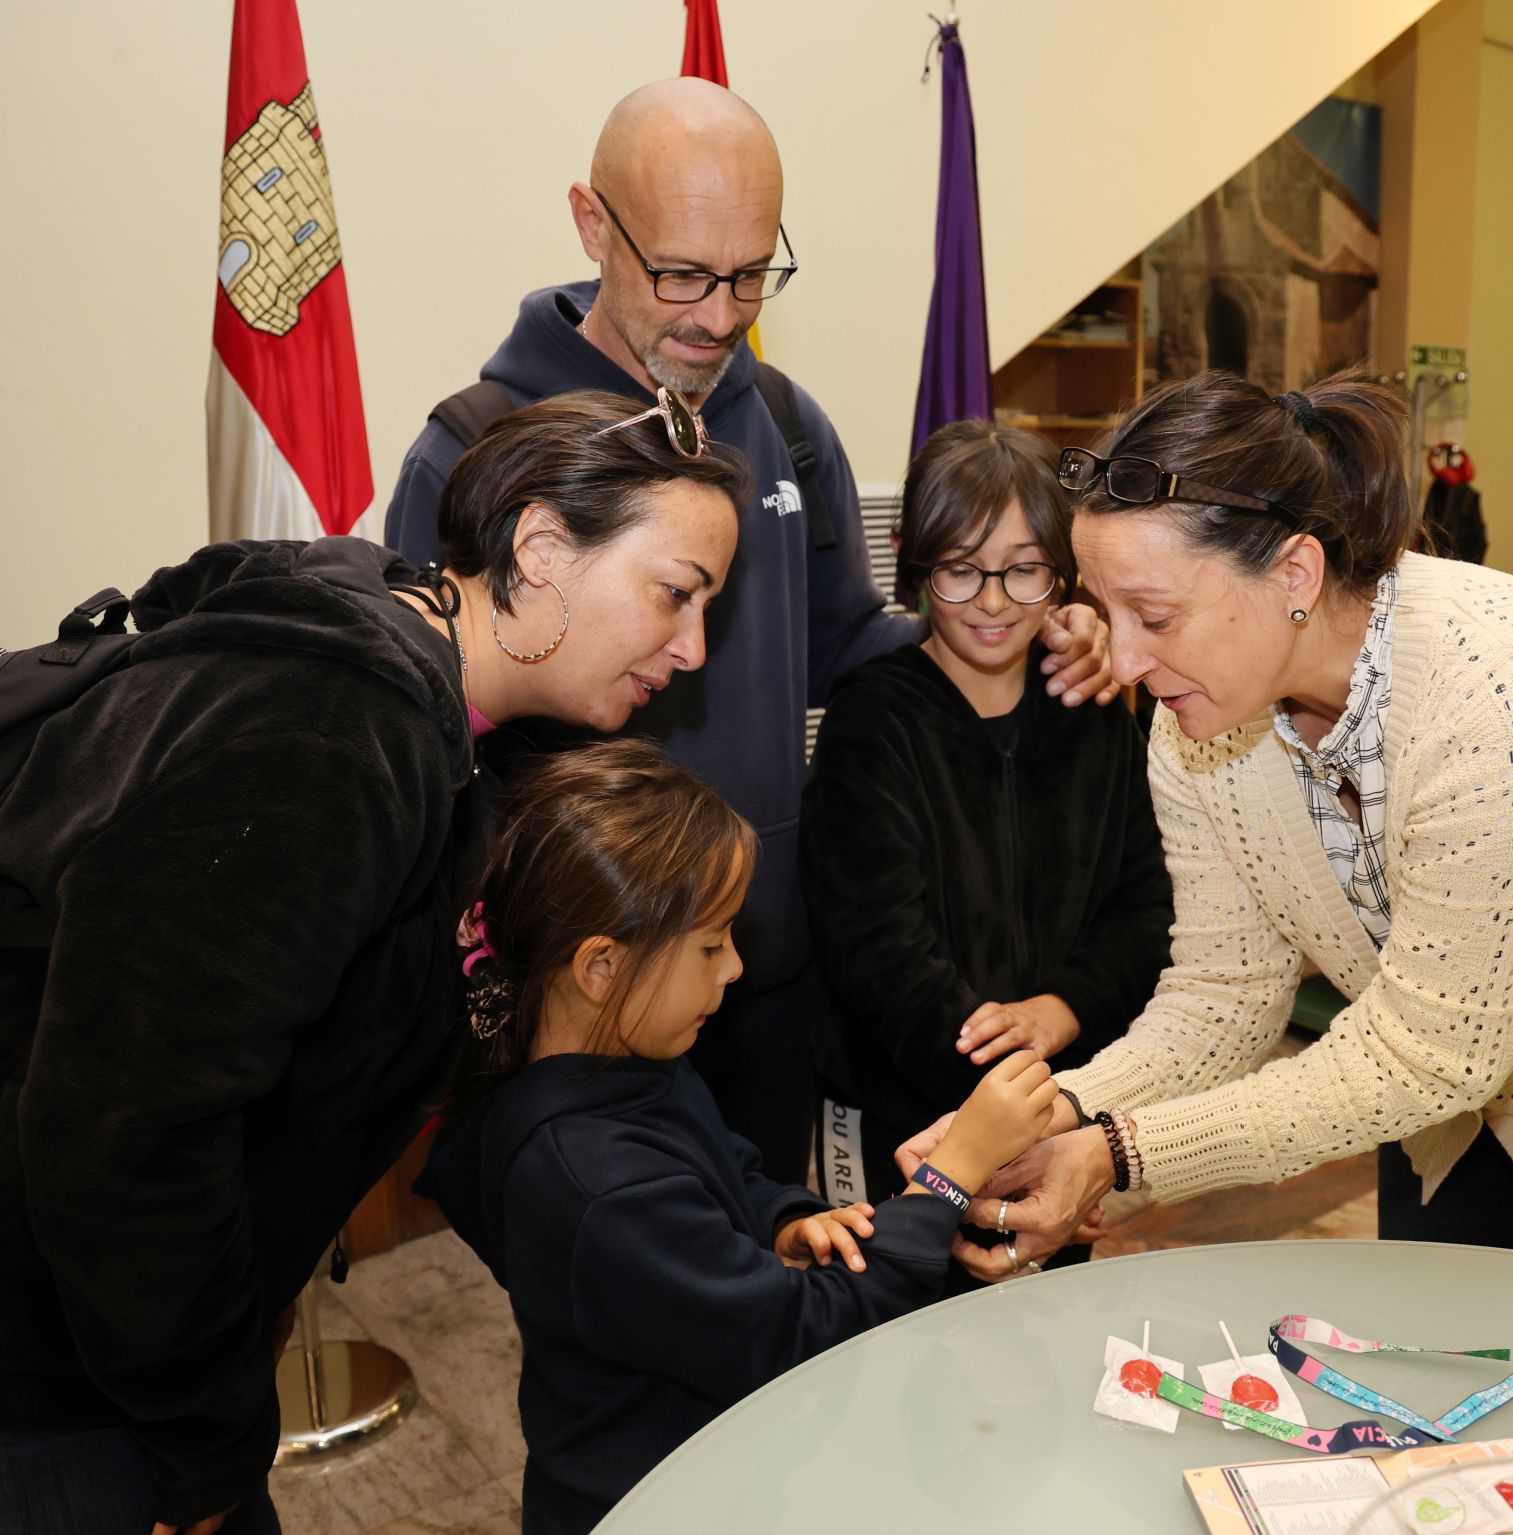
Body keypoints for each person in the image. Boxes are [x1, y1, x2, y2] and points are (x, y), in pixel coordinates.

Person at [901, 367, 1513, 1295]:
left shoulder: (1509, 703)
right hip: (1450, 1106)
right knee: (1442, 1391)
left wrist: (1118, 1151)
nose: (1129, 660)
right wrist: (1056, 1112)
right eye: (1108, 613)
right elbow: (1223, 996)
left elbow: (1429, 1054)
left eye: (1155, 615)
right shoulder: (1198, 723)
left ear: (1296, 572)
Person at [0, 390, 749, 1535]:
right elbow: (126, 1130)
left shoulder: (412, 675)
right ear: (543, 547)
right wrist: (204, 1443)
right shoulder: (335, 731)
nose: (695, 647)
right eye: (676, 593)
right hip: (55, 1362)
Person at [383, 78, 1113, 1184]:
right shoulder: (477, 449)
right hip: (584, 1008)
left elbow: (850, 642)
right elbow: (434, 755)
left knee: (783, 1274)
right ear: (592, 224)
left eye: (751, 273)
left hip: (765, 973)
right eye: (682, 273)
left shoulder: (781, 423)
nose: (721, 315)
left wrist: (1011, 620)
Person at [415, 740, 1058, 1535]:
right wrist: (952, 1172)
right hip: (653, 1502)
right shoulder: (596, 1188)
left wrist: (786, 1216)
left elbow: (727, 1170)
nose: (735, 968)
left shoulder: (623, 1057)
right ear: (601, 967)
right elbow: (804, 1335)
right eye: (711, 944)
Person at [800, 420, 1171, 1274]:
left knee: (1041, 1319)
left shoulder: (1095, 704)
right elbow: (876, 946)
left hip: (1060, 1097)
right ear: (913, 560)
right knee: (885, 1318)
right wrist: (997, 1103)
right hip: (899, 1099)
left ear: (1062, 570)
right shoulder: (872, 718)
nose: (996, 599)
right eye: (962, 569)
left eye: (1024, 568)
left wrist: (1062, 1010)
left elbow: (1147, 908)